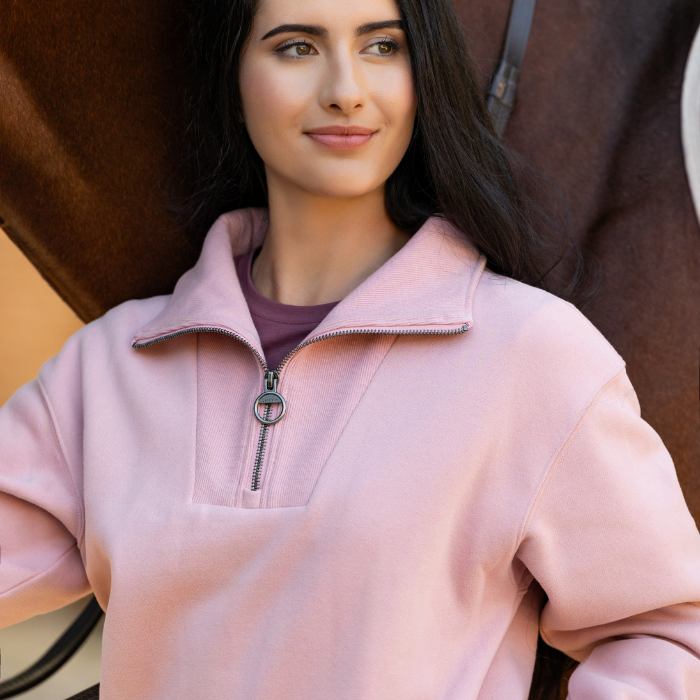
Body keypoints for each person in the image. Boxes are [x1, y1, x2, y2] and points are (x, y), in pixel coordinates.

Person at [2, 0, 700, 698]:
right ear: (235, 84)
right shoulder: (107, 369)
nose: (344, 86)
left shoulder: (534, 356)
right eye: (297, 47)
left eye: (382, 47)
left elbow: (670, 634)